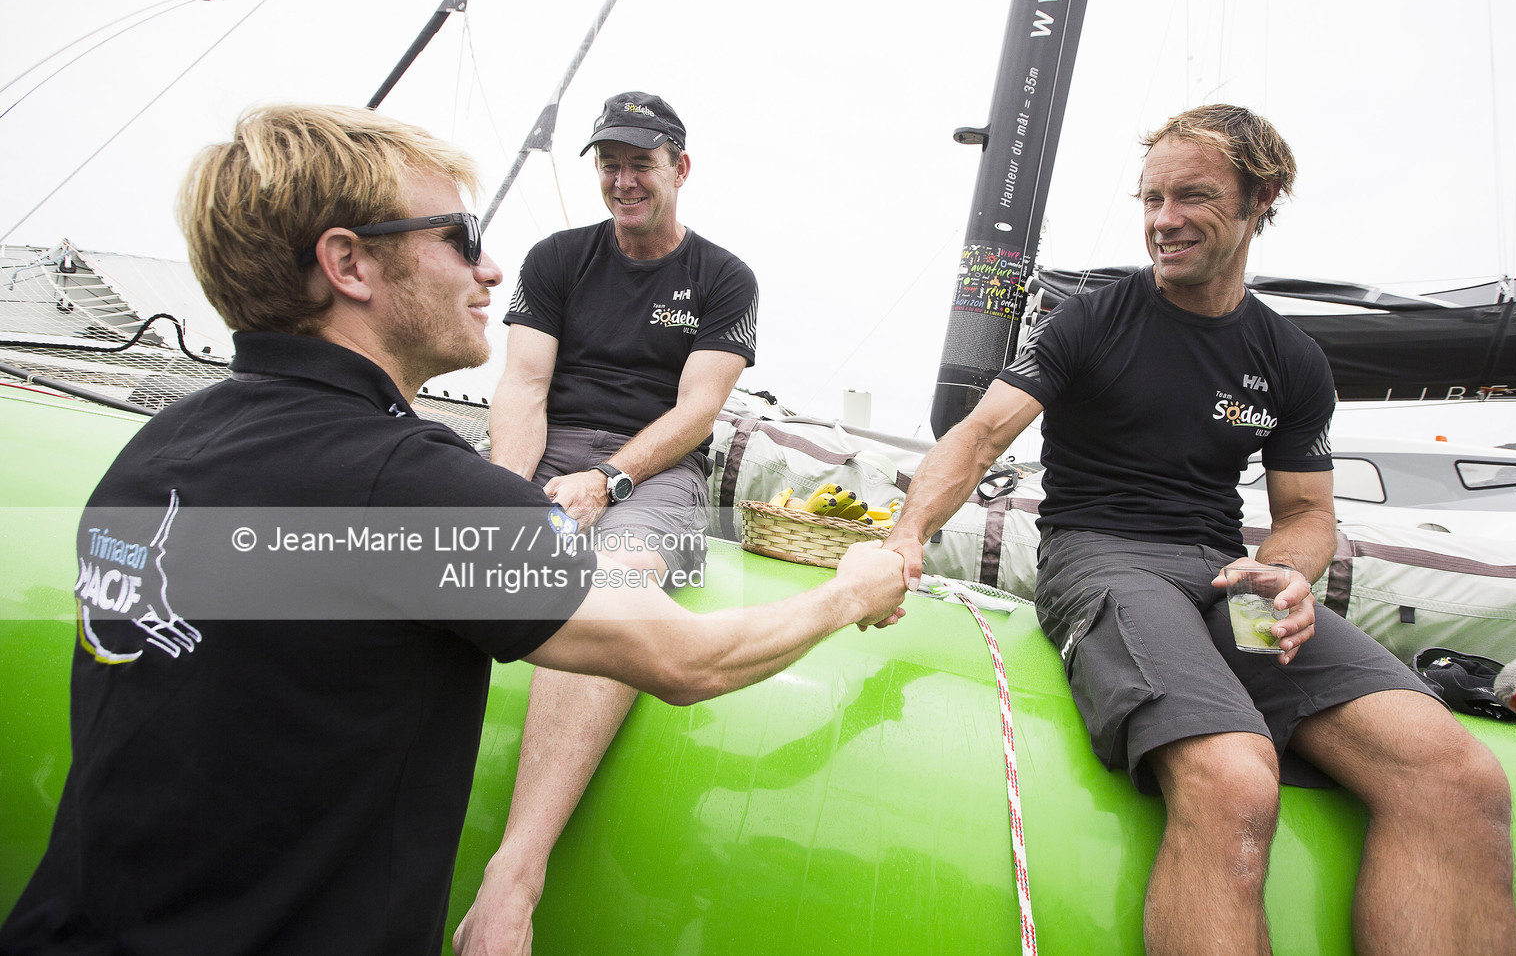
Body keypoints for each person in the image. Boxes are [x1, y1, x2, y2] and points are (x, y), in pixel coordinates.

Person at [0, 104, 903, 956]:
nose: (492, 270)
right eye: (460, 238)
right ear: (349, 265)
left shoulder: (159, 448)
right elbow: (691, 660)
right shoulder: (410, 491)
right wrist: (852, 590)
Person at [883, 105, 1516, 955]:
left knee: (1459, 776)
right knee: (1233, 779)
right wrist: (905, 537)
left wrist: (1287, 573)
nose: (1163, 219)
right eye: (1152, 198)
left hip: (1229, 576)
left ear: (1261, 202)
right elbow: (979, 434)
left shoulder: (1291, 360)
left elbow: (1303, 516)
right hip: (1103, 559)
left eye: (1193, 196)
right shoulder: (1087, 320)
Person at [456, 93, 756, 952]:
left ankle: (516, 872)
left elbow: (699, 410)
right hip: (545, 448)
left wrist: (608, 479)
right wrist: (507, 493)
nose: (624, 180)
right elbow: (523, 386)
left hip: (652, 465)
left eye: (642, 163)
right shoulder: (558, 259)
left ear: (679, 170)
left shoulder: (724, 277)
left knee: (616, 593)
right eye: (610, 163)